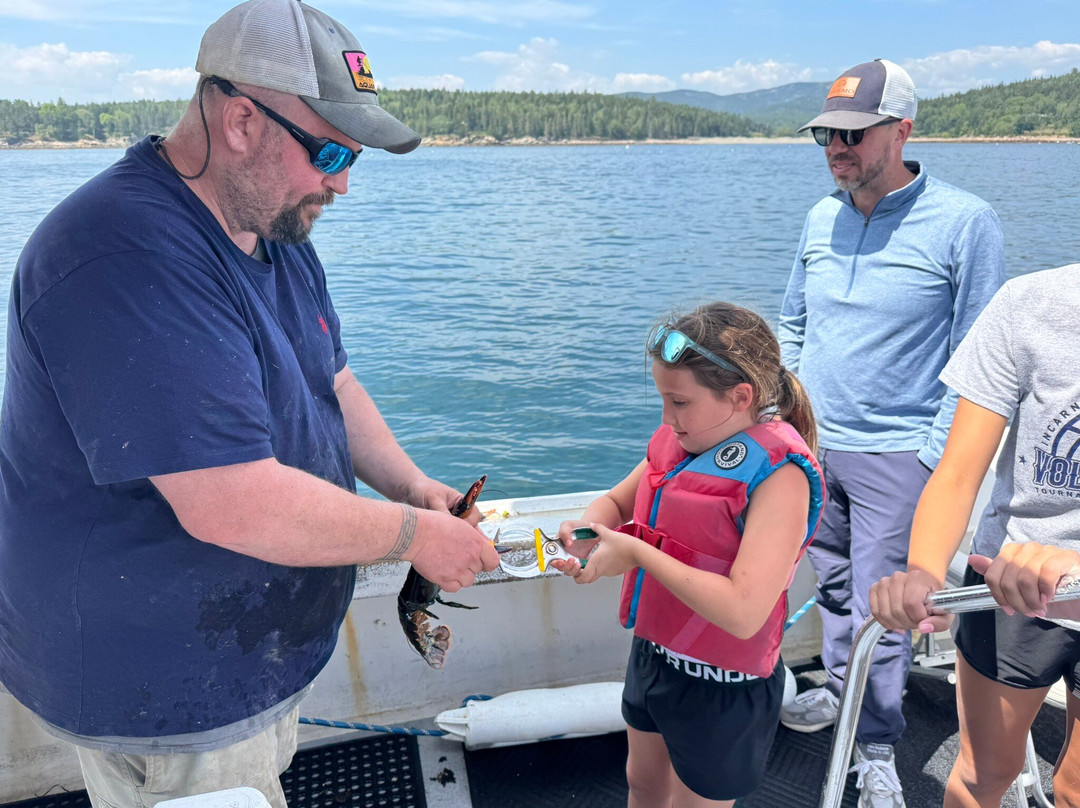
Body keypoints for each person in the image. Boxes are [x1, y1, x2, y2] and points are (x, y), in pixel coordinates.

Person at [0, 1, 500, 806]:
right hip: (165, 684)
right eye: (331, 151)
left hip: (242, 655)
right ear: (240, 121)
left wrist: (414, 489)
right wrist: (414, 535)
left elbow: (331, 382)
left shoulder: (269, 225)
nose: (340, 182)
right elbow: (229, 502)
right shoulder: (124, 256)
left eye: (356, 156)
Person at [776, 59, 1005, 807]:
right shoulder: (819, 216)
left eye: (851, 134)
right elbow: (793, 323)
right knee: (837, 588)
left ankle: (874, 746)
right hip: (814, 449)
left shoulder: (965, 223)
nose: (835, 149)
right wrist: (790, 422)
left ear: (902, 130)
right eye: (824, 136)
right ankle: (846, 700)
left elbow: (978, 356)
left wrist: (933, 458)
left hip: (898, 454)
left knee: (885, 605)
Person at [551, 302, 824, 807]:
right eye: (662, 399)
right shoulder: (678, 443)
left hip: (724, 687)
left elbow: (744, 614)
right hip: (655, 659)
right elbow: (616, 501)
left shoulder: (780, 479)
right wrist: (589, 529)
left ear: (741, 397)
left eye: (679, 402)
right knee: (643, 784)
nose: (665, 418)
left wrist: (634, 554)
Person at [869, 263, 1080, 807]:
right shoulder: (1028, 304)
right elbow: (959, 471)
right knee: (985, 774)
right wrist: (923, 575)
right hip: (1008, 589)